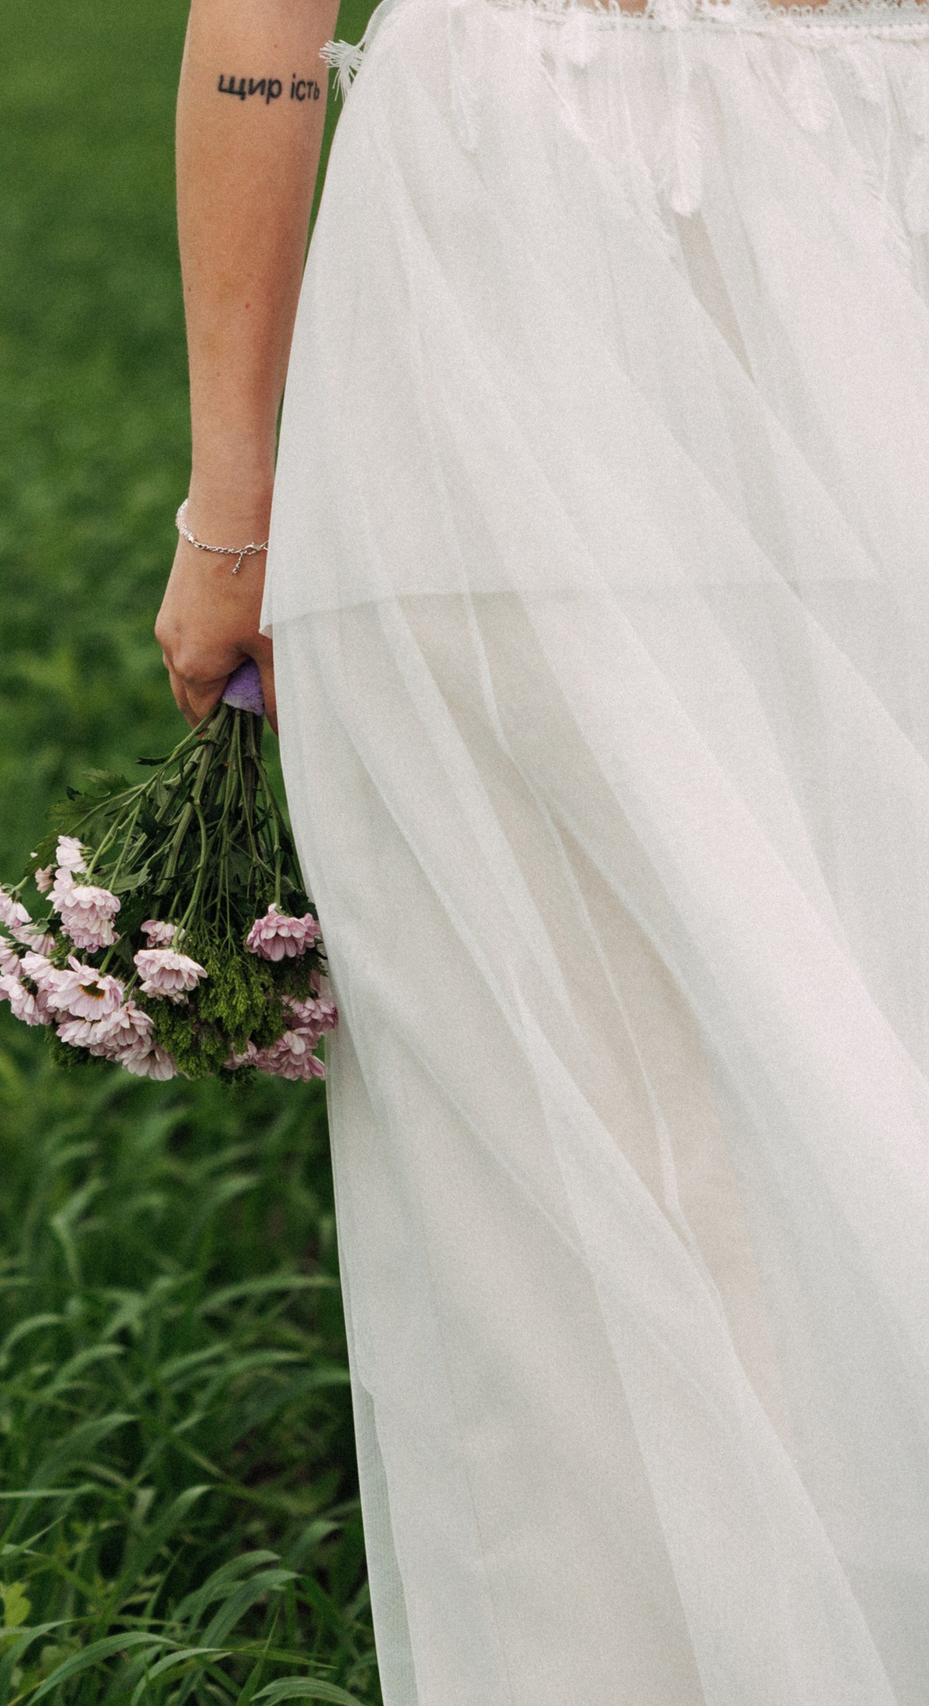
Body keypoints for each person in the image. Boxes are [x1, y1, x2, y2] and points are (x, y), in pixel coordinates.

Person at [158, 0, 929, 1699]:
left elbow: (264, 24)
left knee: (563, 1172)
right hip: (818, 249)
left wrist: (233, 504)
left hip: (522, 276)